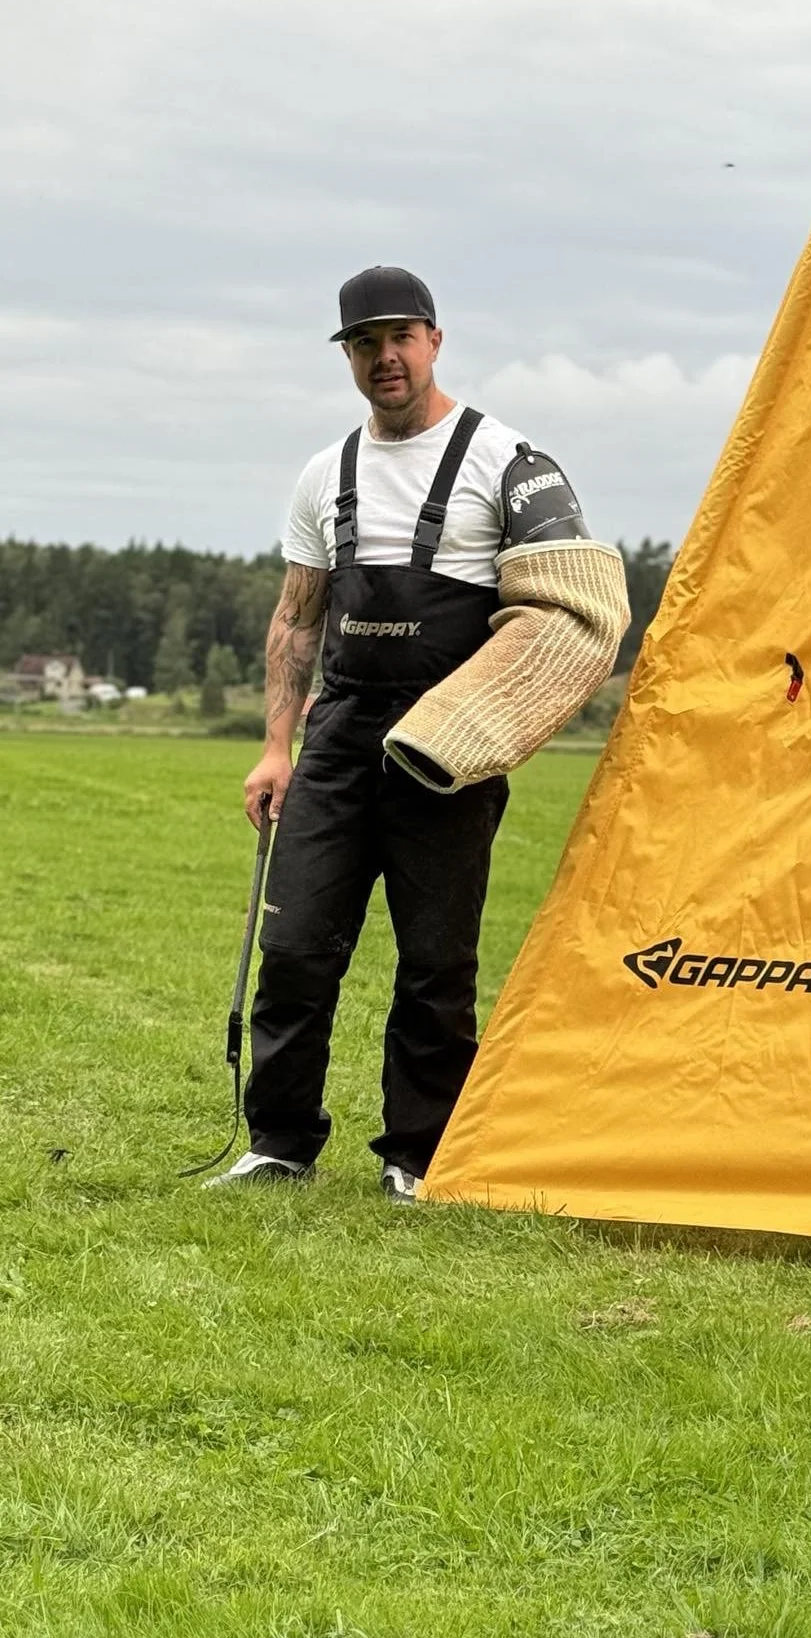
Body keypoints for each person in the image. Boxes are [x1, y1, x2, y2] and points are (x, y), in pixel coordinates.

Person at [207, 265, 603, 1201]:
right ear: (347, 355)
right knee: (295, 947)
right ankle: (279, 1142)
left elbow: (566, 608)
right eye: (364, 343)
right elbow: (297, 618)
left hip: (446, 751)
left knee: (435, 964)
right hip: (339, 738)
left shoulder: (508, 463)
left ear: (433, 340)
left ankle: (416, 1158)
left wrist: (499, 722)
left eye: (400, 337)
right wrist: (276, 748)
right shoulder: (325, 473)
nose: (384, 357)